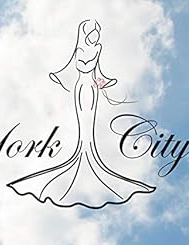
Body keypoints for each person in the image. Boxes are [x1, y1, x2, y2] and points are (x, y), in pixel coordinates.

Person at [8, 19, 155, 208]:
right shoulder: (80, 50)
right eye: (92, 32)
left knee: (90, 127)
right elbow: (81, 67)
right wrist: (87, 73)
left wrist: (103, 83)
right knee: (83, 125)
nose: (95, 36)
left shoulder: (98, 48)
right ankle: (81, 154)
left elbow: (98, 70)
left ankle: (91, 155)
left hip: (92, 89)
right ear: (85, 33)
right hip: (82, 87)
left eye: (97, 32)